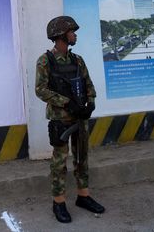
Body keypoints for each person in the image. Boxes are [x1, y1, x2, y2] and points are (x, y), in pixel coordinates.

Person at [35, 16, 105, 223]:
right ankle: (59, 202)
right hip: (61, 120)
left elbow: (88, 84)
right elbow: (40, 90)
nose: (75, 35)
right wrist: (67, 103)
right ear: (61, 36)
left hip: (80, 117)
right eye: (72, 32)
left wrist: (90, 103)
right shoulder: (45, 60)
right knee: (59, 162)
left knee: (82, 158)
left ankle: (83, 196)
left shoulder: (78, 60)